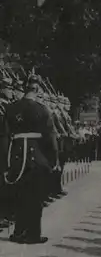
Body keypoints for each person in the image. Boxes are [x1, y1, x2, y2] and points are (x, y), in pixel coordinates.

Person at [1, 74, 60, 244]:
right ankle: (33, 234)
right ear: (38, 90)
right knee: (35, 197)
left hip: (17, 155)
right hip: (37, 156)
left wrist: (6, 161)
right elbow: (50, 137)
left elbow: (4, 136)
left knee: (20, 195)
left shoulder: (11, 108)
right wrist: (53, 159)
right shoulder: (42, 110)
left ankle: (19, 232)